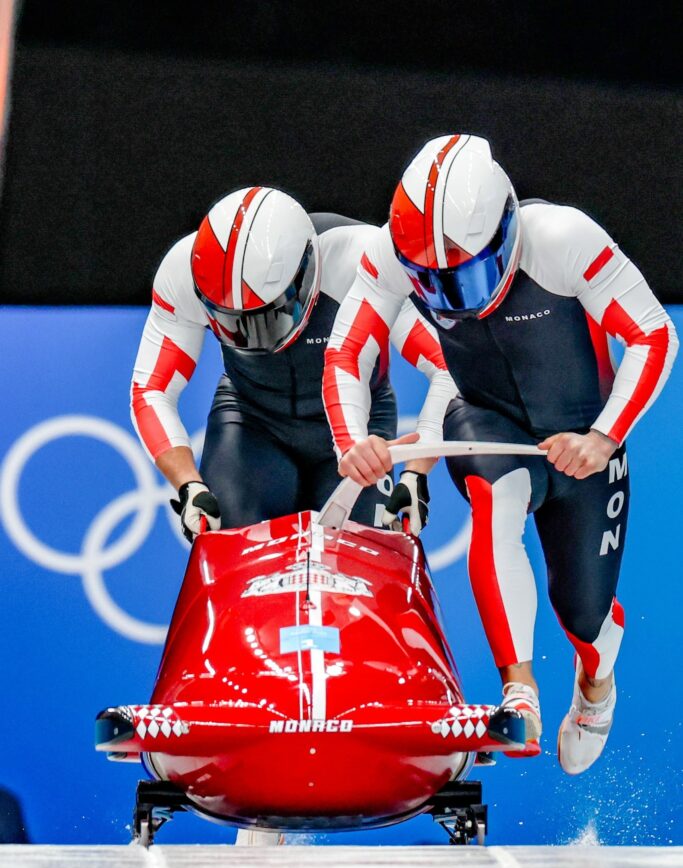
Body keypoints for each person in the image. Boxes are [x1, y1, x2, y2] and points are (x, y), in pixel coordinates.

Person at [323, 135, 678, 774]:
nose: (452, 295)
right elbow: (347, 352)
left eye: (467, 272)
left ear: (506, 231)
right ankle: (521, 688)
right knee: (496, 502)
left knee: (585, 617)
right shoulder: (390, 252)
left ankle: (596, 683)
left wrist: (603, 436)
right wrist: (351, 442)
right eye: (431, 282)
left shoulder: (564, 238)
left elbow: (652, 333)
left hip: (583, 439)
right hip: (485, 418)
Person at [131, 186, 454, 541]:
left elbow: (446, 366)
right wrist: (189, 485)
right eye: (234, 323)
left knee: (354, 568)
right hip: (252, 423)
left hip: (357, 429)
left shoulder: (361, 258)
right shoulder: (182, 272)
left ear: (307, 273)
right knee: (230, 553)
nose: (258, 340)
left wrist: (417, 472)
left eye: (271, 317)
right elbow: (151, 389)